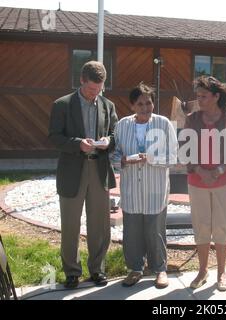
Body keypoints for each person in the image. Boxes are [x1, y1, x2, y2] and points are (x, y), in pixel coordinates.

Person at [48, 61, 118, 288]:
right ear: (81, 80)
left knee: (99, 224)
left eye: (99, 90)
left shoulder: (108, 105)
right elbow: (54, 137)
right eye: (90, 89)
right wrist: (78, 144)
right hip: (72, 171)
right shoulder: (62, 105)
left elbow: (115, 134)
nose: (94, 94)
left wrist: (109, 141)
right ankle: (72, 272)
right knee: (70, 224)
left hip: (99, 170)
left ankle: (97, 270)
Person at [112, 82, 178, 289]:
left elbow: (173, 156)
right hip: (131, 188)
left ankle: (160, 269)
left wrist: (151, 158)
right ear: (132, 106)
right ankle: (135, 269)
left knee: (155, 230)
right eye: (140, 104)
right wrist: (123, 160)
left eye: (148, 103)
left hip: (155, 188)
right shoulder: (122, 125)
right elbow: (113, 155)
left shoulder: (164, 123)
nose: (145, 108)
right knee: (131, 231)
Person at [184, 75, 226, 292]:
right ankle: (202, 270)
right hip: (197, 181)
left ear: (216, 96)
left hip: (225, 181)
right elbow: (185, 151)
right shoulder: (192, 119)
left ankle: (221, 271)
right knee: (201, 226)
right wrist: (200, 170)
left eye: (204, 96)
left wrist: (219, 170)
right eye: (198, 96)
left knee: (221, 226)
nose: (199, 99)